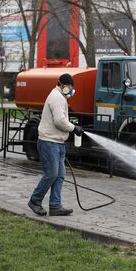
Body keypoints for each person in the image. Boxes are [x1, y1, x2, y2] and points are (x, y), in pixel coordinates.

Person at [28, 73, 84, 216]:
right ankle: (35, 200)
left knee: (59, 175)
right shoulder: (57, 98)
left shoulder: (60, 97)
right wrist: (73, 128)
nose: (71, 90)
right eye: (70, 87)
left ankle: (55, 206)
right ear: (63, 86)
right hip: (49, 142)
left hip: (57, 142)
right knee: (51, 174)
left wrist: (70, 127)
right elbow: (59, 121)